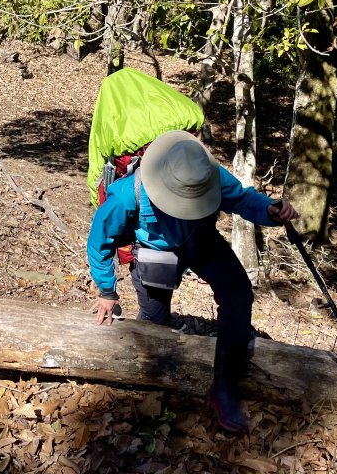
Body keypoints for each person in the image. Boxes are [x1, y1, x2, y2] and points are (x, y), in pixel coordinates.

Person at [86, 130, 299, 434]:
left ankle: (223, 388)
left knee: (238, 293)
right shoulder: (127, 193)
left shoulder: (209, 176)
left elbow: (243, 199)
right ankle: (150, 393)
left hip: (201, 240)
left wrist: (270, 210)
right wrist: (107, 290)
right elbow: (99, 240)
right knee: (154, 322)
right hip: (155, 253)